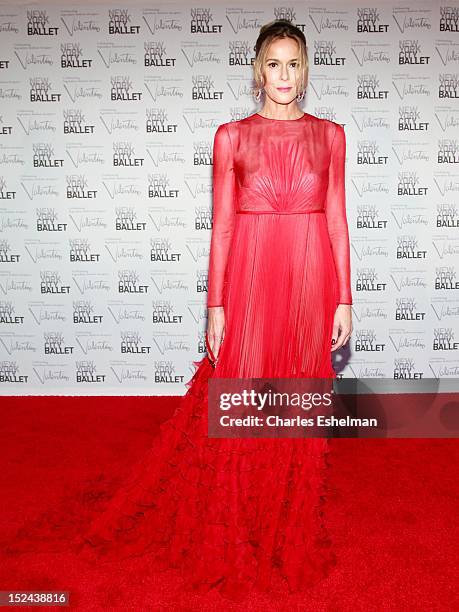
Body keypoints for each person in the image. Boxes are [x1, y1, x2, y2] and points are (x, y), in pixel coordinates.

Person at [76, 19, 353, 602]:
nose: (284, 75)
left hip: (308, 276)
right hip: (251, 275)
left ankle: (286, 530)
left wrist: (345, 296)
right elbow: (223, 226)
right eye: (273, 64)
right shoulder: (230, 135)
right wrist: (216, 305)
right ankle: (237, 530)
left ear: (306, 71)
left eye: (293, 63)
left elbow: (335, 219)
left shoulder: (330, 135)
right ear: (258, 70)